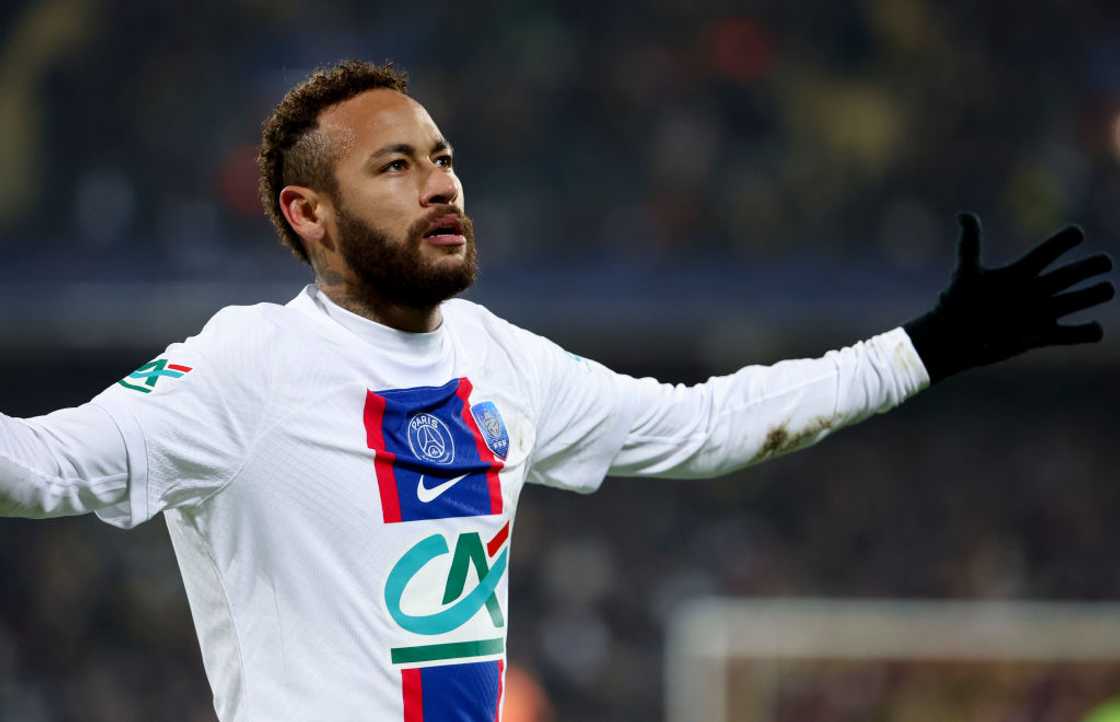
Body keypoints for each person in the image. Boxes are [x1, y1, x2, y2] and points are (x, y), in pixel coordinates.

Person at [0, 59, 1113, 722]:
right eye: (394, 167)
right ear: (307, 213)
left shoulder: (502, 360)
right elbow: (39, 465)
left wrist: (924, 349)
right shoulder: (245, 366)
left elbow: (706, 424)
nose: (439, 182)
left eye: (441, 156)